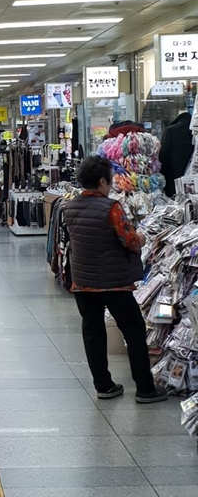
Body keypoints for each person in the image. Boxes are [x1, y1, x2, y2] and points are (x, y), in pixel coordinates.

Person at [63, 155, 167, 404]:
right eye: (109, 180)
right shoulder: (112, 208)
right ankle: (144, 388)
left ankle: (104, 385)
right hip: (114, 283)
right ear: (102, 180)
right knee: (133, 329)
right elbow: (129, 241)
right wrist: (142, 237)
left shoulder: (69, 207)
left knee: (93, 331)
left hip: (83, 282)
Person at [159, 112, 193, 198]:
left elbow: (164, 156)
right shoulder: (194, 132)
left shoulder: (170, 131)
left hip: (173, 180)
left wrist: (162, 175)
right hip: (193, 180)